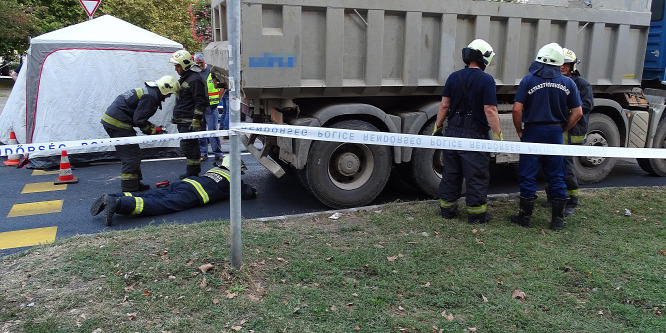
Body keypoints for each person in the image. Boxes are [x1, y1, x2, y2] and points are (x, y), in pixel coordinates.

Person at [511, 42, 583, 231]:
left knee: (528, 174)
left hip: (533, 131)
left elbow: (517, 109)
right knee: (557, 175)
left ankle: (525, 217)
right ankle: (557, 220)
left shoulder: (529, 80)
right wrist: (562, 129)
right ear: (559, 63)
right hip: (554, 132)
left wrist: (519, 130)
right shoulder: (568, 83)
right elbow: (578, 112)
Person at [433, 39, 503, 224]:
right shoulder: (486, 80)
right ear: (484, 59)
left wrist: (438, 126)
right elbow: (490, 110)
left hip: (452, 132)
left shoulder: (453, 77)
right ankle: (476, 215)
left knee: (451, 174)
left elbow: (444, 105)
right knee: (476, 176)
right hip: (475, 135)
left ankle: (448, 211)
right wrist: (498, 133)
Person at [90, 160, 257, 226]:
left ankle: (114, 196)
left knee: (153, 195)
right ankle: (119, 204)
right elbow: (247, 193)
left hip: (185, 183)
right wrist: (254, 191)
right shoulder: (233, 179)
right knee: (161, 205)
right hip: (192, 194)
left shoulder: (215, 169)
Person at [101, 75, 180, 192]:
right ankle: (129, 188)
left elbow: (139, 117)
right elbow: (138, 120)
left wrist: (152, 128)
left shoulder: (150, 92)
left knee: (135, 154)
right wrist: (151, 131)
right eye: (170, 93)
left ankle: (135, 183)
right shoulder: (151, 97)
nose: (168, 96)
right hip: (118, 124)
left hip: (117, 122)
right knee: (131, 156)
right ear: (164, 89)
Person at [548, 48, 594, 216]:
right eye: (560, 63)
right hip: (556, 131)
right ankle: (552, 197)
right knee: (551, 165)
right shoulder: (554, 81)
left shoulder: (582, 84)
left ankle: (571, 201)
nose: (563, 67)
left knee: (567, 167)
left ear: (572, 66)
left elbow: (587, 105)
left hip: (572, 132)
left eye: (566, 64)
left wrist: (568, 109)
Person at [169, 49, 209, 179]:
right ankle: (192, 171)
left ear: (185, 64)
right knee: (188, 146)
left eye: (177, 65)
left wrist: (196, 120)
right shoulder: (186, 78)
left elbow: (201, 101)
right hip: (183, 120)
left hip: (189, 120)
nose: (176, 69)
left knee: (189, 146)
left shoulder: (194, 79)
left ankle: (193, 173)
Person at [193, 52, 225, 163]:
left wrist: (219, 98)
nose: (199, 65)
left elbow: (222, 85)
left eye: (201, 62)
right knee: (201, 131)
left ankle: (218, 153)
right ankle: (203, 153)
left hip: (211, 106)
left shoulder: (212, 71)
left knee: (213, 131)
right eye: (197, 63)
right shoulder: (193, 73)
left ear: (204, 61)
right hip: (199, 106)